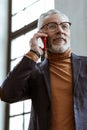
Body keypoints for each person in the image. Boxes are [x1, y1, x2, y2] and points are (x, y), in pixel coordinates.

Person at [0, 9, 87, 130]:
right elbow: (7, 94)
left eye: (64, 26)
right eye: (52, 26)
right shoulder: (33, 71)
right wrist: (34, 53)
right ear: (41, 34)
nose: (60, 31)